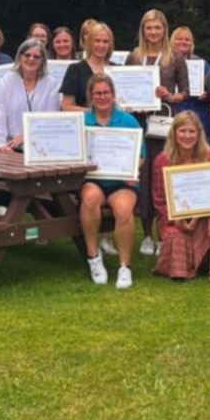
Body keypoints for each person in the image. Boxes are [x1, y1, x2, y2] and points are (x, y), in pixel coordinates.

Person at [132, 9, 191, 255]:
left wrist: (169, 95)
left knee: (164, 178)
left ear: (164, 29)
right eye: (149, 27)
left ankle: (164, 233)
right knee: (144, 177)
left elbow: (185, 92)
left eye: (157, 27)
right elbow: (125, 86)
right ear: (143, 30)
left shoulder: (175, 56)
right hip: (139, 123)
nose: (153, 32)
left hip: (164, 124)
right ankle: (146, 235)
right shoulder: (134, 56)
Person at [79, 74, 145, 289]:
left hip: (121, 182)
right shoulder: (82, 121)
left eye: (106, 92)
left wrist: (132, 170)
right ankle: (93, 257)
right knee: (89, 199)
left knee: (124, 209)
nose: (102, 97)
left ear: (113, 95)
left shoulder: (128, 121)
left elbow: (141, 155)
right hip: (93, 180)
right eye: (97, 93)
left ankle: (124, 267)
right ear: (90, 96)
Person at [151, 112, 210, 282]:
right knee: (176, 235)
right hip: (176, 216)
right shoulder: (162, 160)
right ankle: (184, 265)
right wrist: (177, 219)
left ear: (199, 133)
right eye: (182, 131)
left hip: (206, 213)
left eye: (192, 131)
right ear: (174, 133)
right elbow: (159, 199)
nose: (187, 136)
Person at [0, 38, 59, 149]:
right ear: (20, 56)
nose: (31, 59)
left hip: (41, 145)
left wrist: (26, 135)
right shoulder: (6, 81)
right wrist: (0, 145)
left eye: (36, 56)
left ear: (42, 60)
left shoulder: (51, 84)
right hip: (11, 146)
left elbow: (50, 119)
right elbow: (0, 115)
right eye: (27, 55)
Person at [170, 26, 210, 142]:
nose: (183, 42)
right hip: (173, 113)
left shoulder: (202, 64)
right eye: (179, 39)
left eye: (187, 39)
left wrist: (207, 94)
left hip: (199, 114)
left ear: (192, 43)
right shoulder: (165, 63)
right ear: (172, 41)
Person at [60, 20, 113, 110]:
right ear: (89, 42)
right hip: (86, 123)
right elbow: (66, 107)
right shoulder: (75, 70)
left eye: (105, 41)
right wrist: (96, 114)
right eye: (97, 41)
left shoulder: (118, 70)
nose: (101, 45)